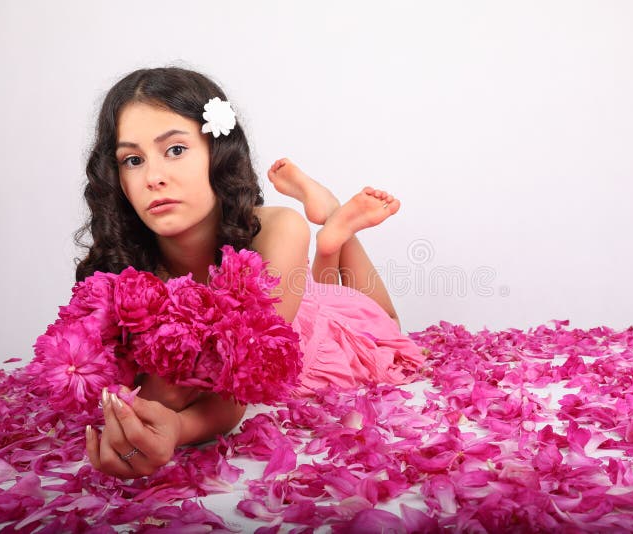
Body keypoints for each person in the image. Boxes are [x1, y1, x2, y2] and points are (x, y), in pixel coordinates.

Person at [78, 67, 424, 479]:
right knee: (310, 285)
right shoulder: (129, 267)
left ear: (216, 152)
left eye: (174, 150)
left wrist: (180, 427)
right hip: (292, 292)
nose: (154, 177)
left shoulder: (280, 228)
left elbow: (234, 386)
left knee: (389, 326)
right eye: (133, 160)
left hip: (313, 338)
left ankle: (334, 227)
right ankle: (330, 235)